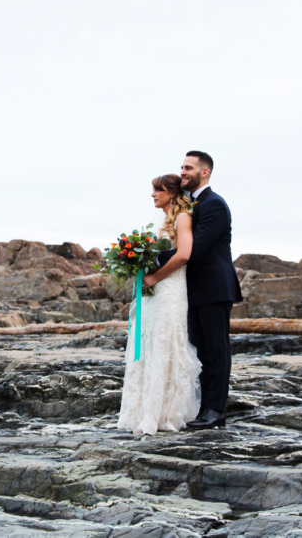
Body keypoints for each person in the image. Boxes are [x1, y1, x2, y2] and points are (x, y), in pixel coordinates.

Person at [117, 174, 202, 435]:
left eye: (159, 190)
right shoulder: (159, 220)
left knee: (166, 344)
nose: (153, 195)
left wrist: (155, 276)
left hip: (171, 290)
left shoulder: (182, 218)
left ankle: (162, 414)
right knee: (150, 342)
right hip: (154, 291)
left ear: (172, 193)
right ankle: (141, 411)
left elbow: (184, 254)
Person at [179, 151, 243, 430]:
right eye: (181, 167)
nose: (183, 171)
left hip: (215, 287)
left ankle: (216, 411)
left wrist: (153, 263)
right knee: (201, 351)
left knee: (217, 351)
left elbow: (197, 248)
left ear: (204, 172)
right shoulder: (189, 204)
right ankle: (204, 408)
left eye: (188, 168)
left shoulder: (215, 204)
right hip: (194, 290)